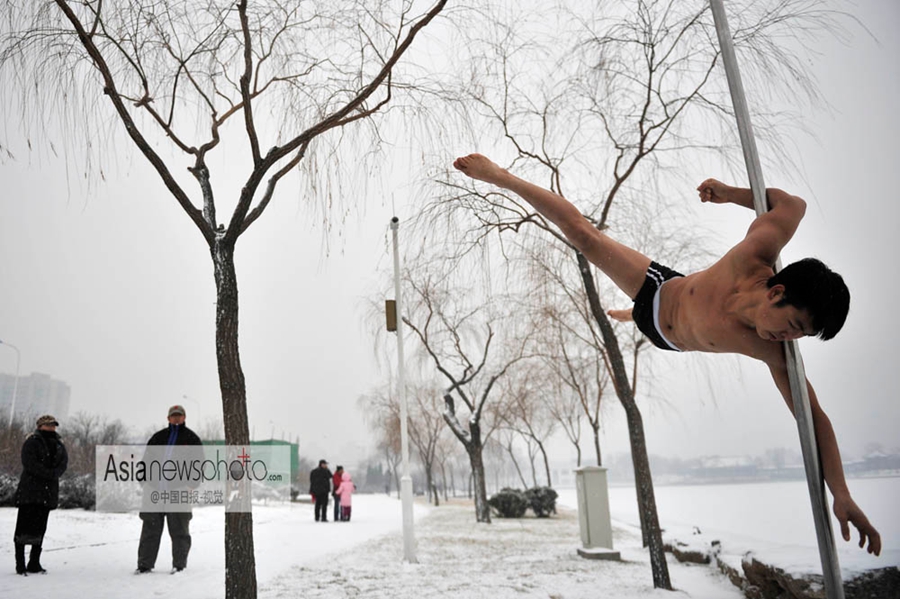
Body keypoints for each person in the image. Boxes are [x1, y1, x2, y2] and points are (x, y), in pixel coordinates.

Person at [453, 153, 881, 556]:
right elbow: (793, 204)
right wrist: (730, 193)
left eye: (801, 336)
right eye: (793, 325)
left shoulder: (773, 351)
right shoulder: (757, 250)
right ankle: (501, 176)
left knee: (641, 315)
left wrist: (841, 492)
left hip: (666, 337)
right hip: (658, 290)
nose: (789, 338)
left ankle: (628, 317)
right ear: (777, 291)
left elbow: (814, 416)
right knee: (586, 237)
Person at [136, 404, 203, 574]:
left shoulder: (191, 439)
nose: (176, 418)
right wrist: (143, 481)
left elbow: (199, 464)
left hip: (179, 490)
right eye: (173, 415)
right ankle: (144, 565)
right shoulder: (158, 437)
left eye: (179, 415)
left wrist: (191, 485)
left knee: (180, 530)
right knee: (150, 530)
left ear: (184, 417)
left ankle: (179, 565)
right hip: (155, 490)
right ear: (168, 418)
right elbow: (146, 460)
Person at [13, 414, 68, 575]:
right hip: (30, 492)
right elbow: (29, 463)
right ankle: (20, 563)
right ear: (40, 426)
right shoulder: (31, 442)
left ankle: (34, 562)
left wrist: (54, 473)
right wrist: (48, 474)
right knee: (23, 528)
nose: (51, 427)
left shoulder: (59, 444)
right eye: (48, 425)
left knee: (40, 528)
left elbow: (63, 463)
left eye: (53, 425)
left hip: (47, 493)